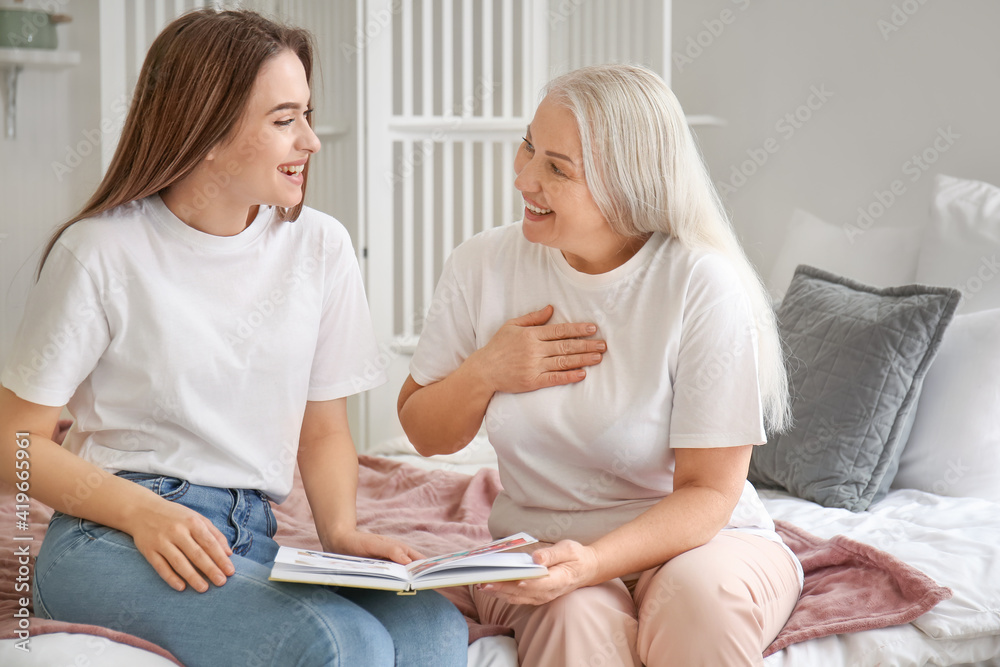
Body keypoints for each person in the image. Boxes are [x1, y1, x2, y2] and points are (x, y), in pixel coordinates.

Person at [0, 9, 466, 667]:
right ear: (207, 131)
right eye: (285, 120)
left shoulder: (320, 247)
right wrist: (141, 513)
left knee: (432, 628)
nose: (311, 140)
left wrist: (341, 530)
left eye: (306, 113)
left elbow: (323, 428)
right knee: (342, 641)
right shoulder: (101, 251)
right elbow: (12, 441)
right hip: (110, 536)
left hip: (251, 535)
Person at [397, 63, 803, 666]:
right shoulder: (482, 265)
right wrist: (487, 370)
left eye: (557, 169)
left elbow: (709, 491)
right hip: (543, 549)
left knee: (697, 601)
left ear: (628, 186)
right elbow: (424, 432)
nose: (524, 178)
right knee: (572, 616)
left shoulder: (698, 283)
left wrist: (593, 562)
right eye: (529, 146)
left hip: (701, 543)